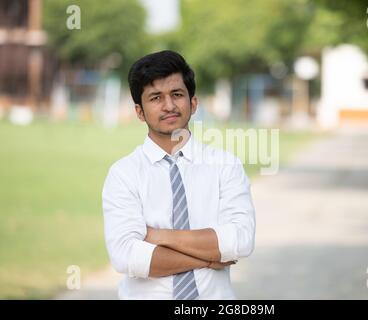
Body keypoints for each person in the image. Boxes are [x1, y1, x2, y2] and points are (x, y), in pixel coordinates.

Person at [102, 50, 256, 300]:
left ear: (193, 104)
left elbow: (240, 241)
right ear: (139, 112)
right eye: (155, 98)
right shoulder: (124, 174)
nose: (169, 106)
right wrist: (208, 258)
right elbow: (126, 256)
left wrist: (158, 236)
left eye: (177, 94)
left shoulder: (226, 166)